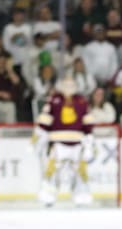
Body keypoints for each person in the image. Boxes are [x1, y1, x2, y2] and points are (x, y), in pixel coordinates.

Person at [35, 77, 95, 207]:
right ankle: (48, 194)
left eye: (71, 84)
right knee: (52, 170)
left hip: (77, 142)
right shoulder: (54, 100)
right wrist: (38, 137)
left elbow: (88, 123)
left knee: (79, 171)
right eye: (66, 84)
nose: (68, 87)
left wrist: (89, 141)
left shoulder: (81, 101)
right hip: (57, 142)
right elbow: (45, 120)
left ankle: (81, 194)